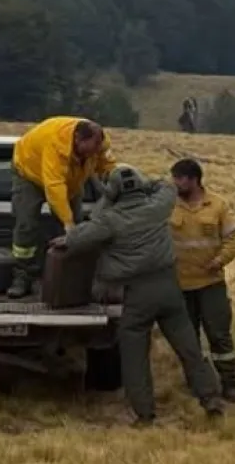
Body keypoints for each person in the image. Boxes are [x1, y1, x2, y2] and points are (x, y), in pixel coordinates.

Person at [52, 163, 224, 427]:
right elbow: (166, 186)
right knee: (189, 347)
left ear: (113, 191)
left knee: (134, 355)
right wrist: (146, 184)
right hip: (169, 288)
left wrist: (105, 200)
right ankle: (210, 398)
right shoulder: (158, 208)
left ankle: (145, 413)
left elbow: (79, 237)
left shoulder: (110, 220)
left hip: (137, 292)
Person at [7, 117, 117, 299]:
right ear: (77, 139)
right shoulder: (55, 145)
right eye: (88, 151)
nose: (90, 156)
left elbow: (107, 166)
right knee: (26, 225)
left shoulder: (99, 145)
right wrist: (67, 222)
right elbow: (55, 186)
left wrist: (119, 183)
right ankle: (22, 277)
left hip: (70, 181)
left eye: (95, 151)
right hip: (30, 174)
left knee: (78, 232)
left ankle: (73, 279)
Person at [169, 157, 235, 403]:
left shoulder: (217, 205)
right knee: (188, 339)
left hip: (211, 284)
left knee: (219, 335)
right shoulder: (168, 205)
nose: (176, 183)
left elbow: (233, 239)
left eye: (180, 178)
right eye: (175, 178)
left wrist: (219, 261)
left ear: (194, 180)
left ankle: (230, 384)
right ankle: (197, 383)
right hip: (179, 285)